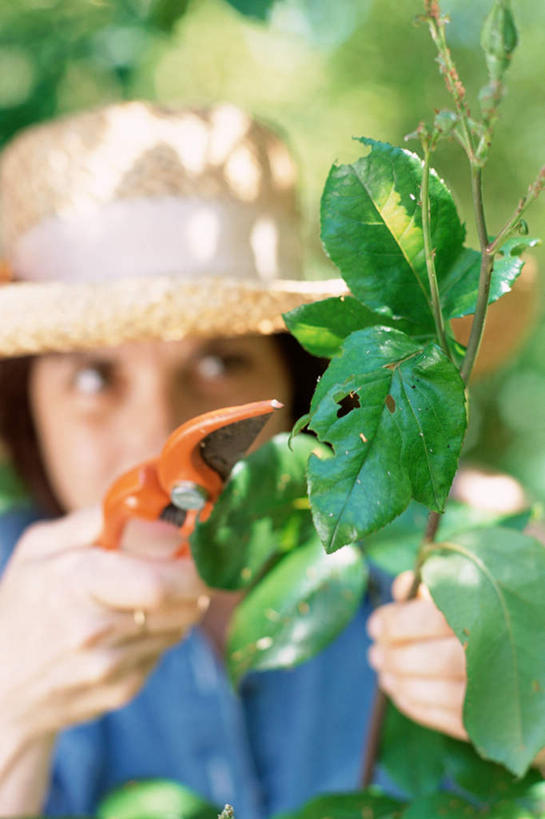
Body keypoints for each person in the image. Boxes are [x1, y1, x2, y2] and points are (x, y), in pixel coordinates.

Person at [0, 101, 539, 818]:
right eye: (96, 377)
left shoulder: (444, 560)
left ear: (298, 383)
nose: (162, 435)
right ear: (27, 406)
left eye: (221, 361)